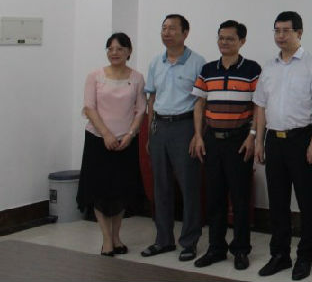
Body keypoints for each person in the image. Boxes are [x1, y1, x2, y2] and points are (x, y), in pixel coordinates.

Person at [253, 11, 312, 280]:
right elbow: (261, 106)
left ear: (299, 33)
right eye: (277, 31)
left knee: (307, 202)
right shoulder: (269, 67)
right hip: (274, 140)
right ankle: (280, 255)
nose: (280, 36)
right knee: (278, 202)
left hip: (302, 140)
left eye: (286, 31)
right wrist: (259, 141)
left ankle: (305, 256)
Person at [189, 20, 261, 271]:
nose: (224, 42)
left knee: (240, 199)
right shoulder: (208, 69)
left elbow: (259, 106)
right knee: (215, 197)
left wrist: (252, 136)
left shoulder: (252, 69)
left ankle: (240, 249)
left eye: (230, 38)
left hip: (239, 141)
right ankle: (216, 248)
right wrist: (198, 136)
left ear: (242, 41)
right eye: (221, 38)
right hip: (212, 141)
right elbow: (199, 104)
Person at [141, 14, 206, 262]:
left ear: (185, 33)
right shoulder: (155, 62)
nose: (166, 33)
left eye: (172, 29)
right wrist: (150, 131)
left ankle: (189, 241)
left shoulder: (197, 62)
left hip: (185, 127)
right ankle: (163, 239)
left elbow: (201, 101)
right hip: (160, 127)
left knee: (189, 187)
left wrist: (198, 134)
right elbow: (151, 99)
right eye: (164, 28)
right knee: (161, 186)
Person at [77, 32, 146, 257]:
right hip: (98, 141)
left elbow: (141, 110)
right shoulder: (95, 76)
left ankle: (117, 237)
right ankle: (106, 240)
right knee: (99, 191)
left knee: (120, 191)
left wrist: (131, 134)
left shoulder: (137, 78)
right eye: (110, 49)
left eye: (119, 49)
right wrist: (106, 134)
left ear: (129, 52)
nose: (114, 53)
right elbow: (89, 107)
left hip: (126, 142)